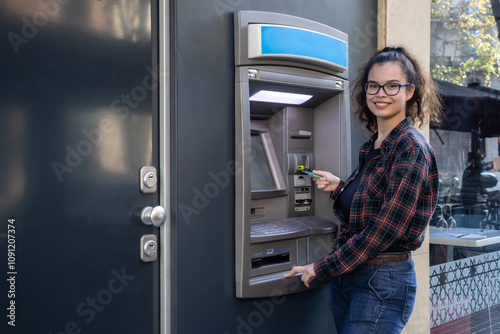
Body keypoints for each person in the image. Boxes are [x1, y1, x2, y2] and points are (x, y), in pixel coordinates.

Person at [284, 46, 442, 333]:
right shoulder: (373, 146)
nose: (381, 93)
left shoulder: (410, 147)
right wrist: (340, 187)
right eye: (374, 85)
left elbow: (386, 228)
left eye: (392, 85)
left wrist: (321, 268)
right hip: (350, 275)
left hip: (382, 280)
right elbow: (375, 204)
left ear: (410, 91)